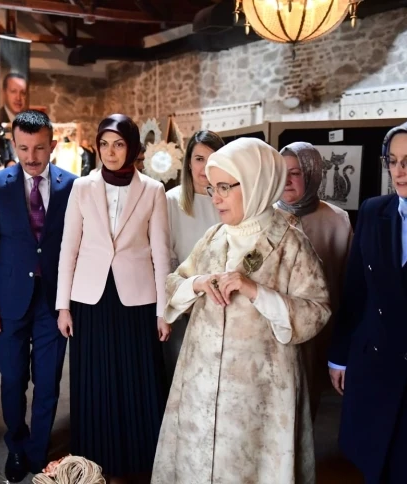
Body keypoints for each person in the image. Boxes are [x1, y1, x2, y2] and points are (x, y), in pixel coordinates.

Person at [152, 137, 331, 484]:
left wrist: (256, 292)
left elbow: (316, 310)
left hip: (260, 391)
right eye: (212, 187)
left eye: (224, 187)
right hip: (200, 383)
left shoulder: (290, 241)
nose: (215, 197)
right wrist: (198, 283)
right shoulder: (215, 236)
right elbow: (174, 283)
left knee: (250, 468)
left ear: (255, 183)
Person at [328, 116, 407, 484]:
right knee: (375, 465)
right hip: (376, 368)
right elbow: (356, 291)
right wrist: (340, 356)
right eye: (392, 160)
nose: (397, 172)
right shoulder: (374, 210)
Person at [56, 114, 171, 483]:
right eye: (104, 144)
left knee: (138, 380)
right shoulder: (81, 187)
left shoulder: (153, 190)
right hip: (90, 300)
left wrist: (164, 310)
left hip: (137, 300)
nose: (110, 152)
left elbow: (161, 254)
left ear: (132, 147)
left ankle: (141, 459)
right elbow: (68, 248)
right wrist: (63, 306)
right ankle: (96, 460)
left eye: (119, 144)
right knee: (95, 381)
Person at [0, 110, 77, 482]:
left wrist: (71, 301)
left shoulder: (72, 186)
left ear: (53, 144)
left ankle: (37, 451)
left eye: (39, 148)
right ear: (13, 145)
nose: (31, 157)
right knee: (13, 379)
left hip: (54, 303)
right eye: (23, 148)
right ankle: (16, 445)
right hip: (9, 302)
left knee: (48, 382)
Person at [274, 142, 352, 420]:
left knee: (308, 405)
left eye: (295, 173)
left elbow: (346, 281)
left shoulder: (337, 220)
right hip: (275, 326)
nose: (287, 180)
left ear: (312, 173)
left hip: (319, 329)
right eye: (282, 172)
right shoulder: (265, 215)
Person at [163, 130, 224, 386]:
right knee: (181, 378)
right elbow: (165, 255)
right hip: (183, 302)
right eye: (199, 159)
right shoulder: (171, 200)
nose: (205, 167)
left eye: (213, 159)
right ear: (189, 162)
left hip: (220, 302)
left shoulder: (228, 200)